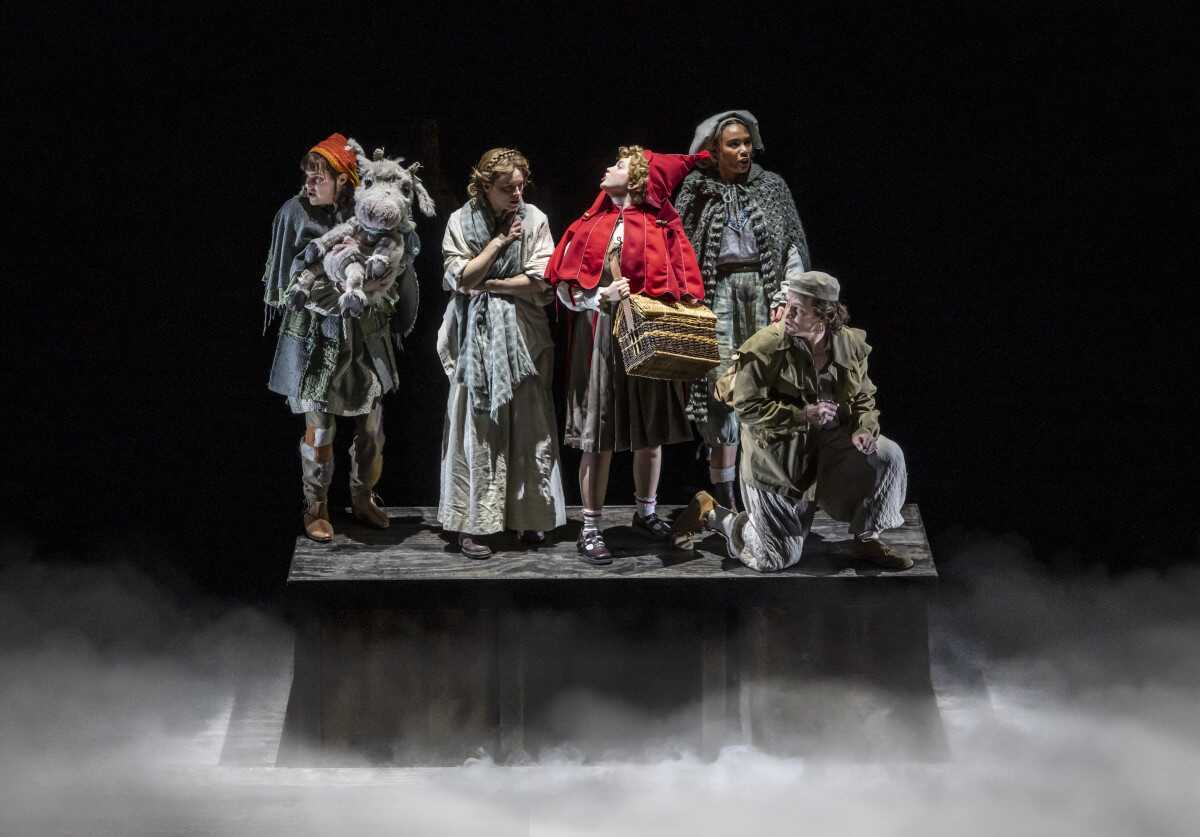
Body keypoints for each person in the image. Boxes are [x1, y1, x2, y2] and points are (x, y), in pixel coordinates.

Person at [672, 266, 911, 571]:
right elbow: (747, 408)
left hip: (828, 451)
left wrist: (864, 428)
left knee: (888, 455)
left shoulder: (848, 344)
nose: (787, 314)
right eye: (787, 305)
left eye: (798, 309)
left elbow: (864, 397)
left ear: (825, 315)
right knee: (776, 558)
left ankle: (866, 540)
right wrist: (802, 415)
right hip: (777, 460)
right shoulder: (767, 346)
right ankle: (713, 514)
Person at [546, 145, 709, 564]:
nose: (607, 167)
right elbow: (564, 286)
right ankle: (591, 526)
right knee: (597, 435)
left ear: (638, 179)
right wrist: (597, 296)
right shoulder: (590, 224)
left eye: (619, 165)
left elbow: (682, 281)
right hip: (600, 336)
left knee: (650, 433)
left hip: (646, 337)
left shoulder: (661, 228)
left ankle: (646, 512)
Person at [261, 133, 406, 542]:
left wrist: (377, 286)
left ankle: (363, 497)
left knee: (371, 427)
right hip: (317, 338)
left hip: (362, 335)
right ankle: (316, 505)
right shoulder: (294, 213)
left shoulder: (367, 210)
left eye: (319, 177)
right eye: (307, 175)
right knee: (320, 428)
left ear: (343, 179)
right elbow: (288, 278)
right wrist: (331, 290)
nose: (309, 183)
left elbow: (396, 264)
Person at [675, 110, 810, 512]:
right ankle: (726, 497)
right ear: (714, 150)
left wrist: (786, 296)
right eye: (734, 144)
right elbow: (680, 248)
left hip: (764, 291)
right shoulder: (697, 190)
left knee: (766, 384)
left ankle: (767, 490)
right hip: (716, 293)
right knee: (720, 387)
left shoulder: (771, 186)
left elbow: (792, 244)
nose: (744, 150)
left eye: (747, 142)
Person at [437, 148, 566, 559]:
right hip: (474, 340)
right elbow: (461, 277)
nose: (517, 193)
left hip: (524, 337)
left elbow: (541, 280)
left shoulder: (535, 218)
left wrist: (491, 285)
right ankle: (473, 523)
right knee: (477, 427)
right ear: (484, 186)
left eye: (520, 185)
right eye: (507, 187)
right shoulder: (460, 221)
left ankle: (530, 516)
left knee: (530, 426)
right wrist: (499, 243)